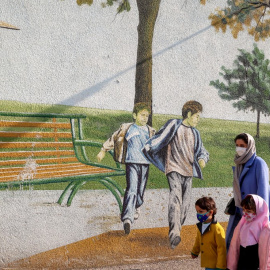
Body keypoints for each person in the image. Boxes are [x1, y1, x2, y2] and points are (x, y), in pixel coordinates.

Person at [143, 100, 209, 249]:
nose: (198, 120)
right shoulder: (174, 125)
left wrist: (202, 159)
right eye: (197, 116)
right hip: (173, 168)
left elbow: (202, 151)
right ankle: (174, 233)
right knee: (175, 197)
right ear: (189, 114)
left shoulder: (195, 133)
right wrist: (149, 146)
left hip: (188, 171)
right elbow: (159, 138)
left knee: (185, 204)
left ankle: (176, 229)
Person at [97, 102, 155, 235]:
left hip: (145, 164)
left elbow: (157, 146)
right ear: (134, 115)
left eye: (147, 116)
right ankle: (127, 219)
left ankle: (137, 205)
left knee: (140, 191)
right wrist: (103, 150)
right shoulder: (127, 128)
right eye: (142, 115)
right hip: (131, 163)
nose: (145, 118)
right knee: (132, 189)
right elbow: (114, 138)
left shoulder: (150, 131)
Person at [226, 133, 270, 250]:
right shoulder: (239, 163)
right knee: (233, 243)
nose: (239, 148)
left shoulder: (259, 163)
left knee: (251, 246)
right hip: (240, 211)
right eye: (237, 145)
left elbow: (263, 192)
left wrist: (261, 218)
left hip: (253, 214)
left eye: (242, 145)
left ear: (249, 146)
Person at [227, 194, 270, 270]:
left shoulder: (265, 229)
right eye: (244, 210)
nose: (245, 213)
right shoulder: (243, 223)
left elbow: (267, 253)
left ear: (259, 211)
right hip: (242, 260)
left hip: (254, 263)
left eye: (249, 211)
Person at [191, 197, 227, 270]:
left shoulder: (217, 229)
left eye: (201, 211)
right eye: (197, 211)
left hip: (215, 264)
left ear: (210, 212)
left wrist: (220, 266)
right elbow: (198, 240)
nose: (198, 214)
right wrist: (195, 251)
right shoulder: (200, 225)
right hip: (208, 262)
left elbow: (222, 248)